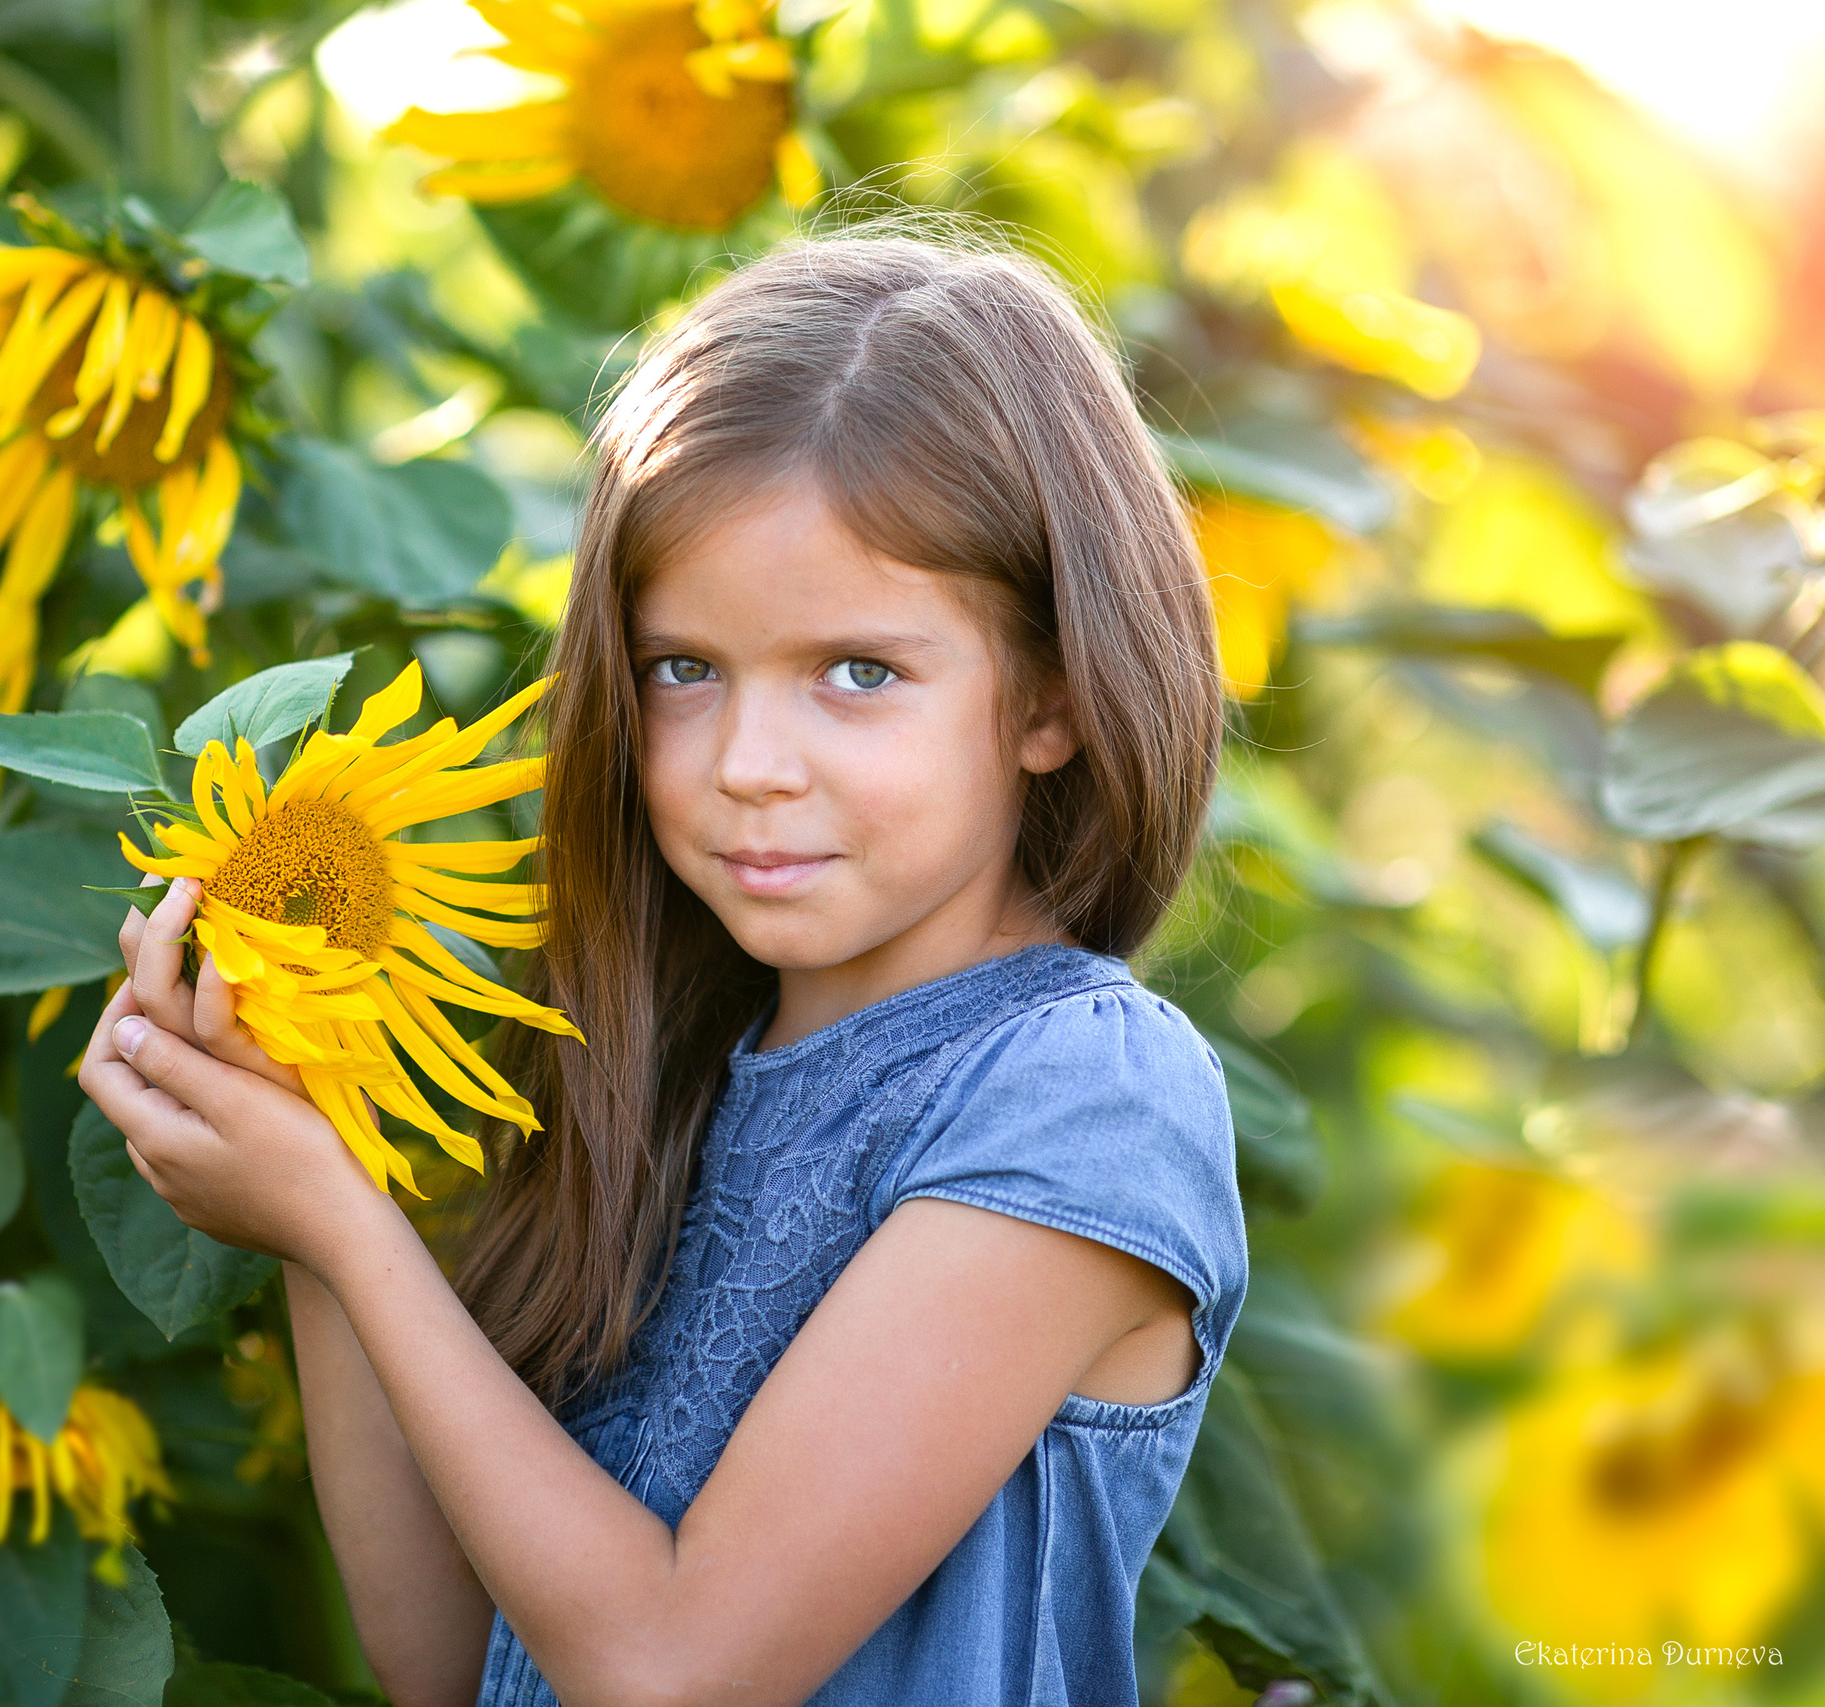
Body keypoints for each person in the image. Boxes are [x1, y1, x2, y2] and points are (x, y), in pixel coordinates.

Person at [80, 229, 1246, 1707]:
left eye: (859, 673)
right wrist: (318, 1174)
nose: (750, 767)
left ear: (1056, 695)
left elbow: (670, 1670)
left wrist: (342, 1225)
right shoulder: (663, 1066)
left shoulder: (1078, 1094)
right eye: (683, 669)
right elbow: (454, 1659)